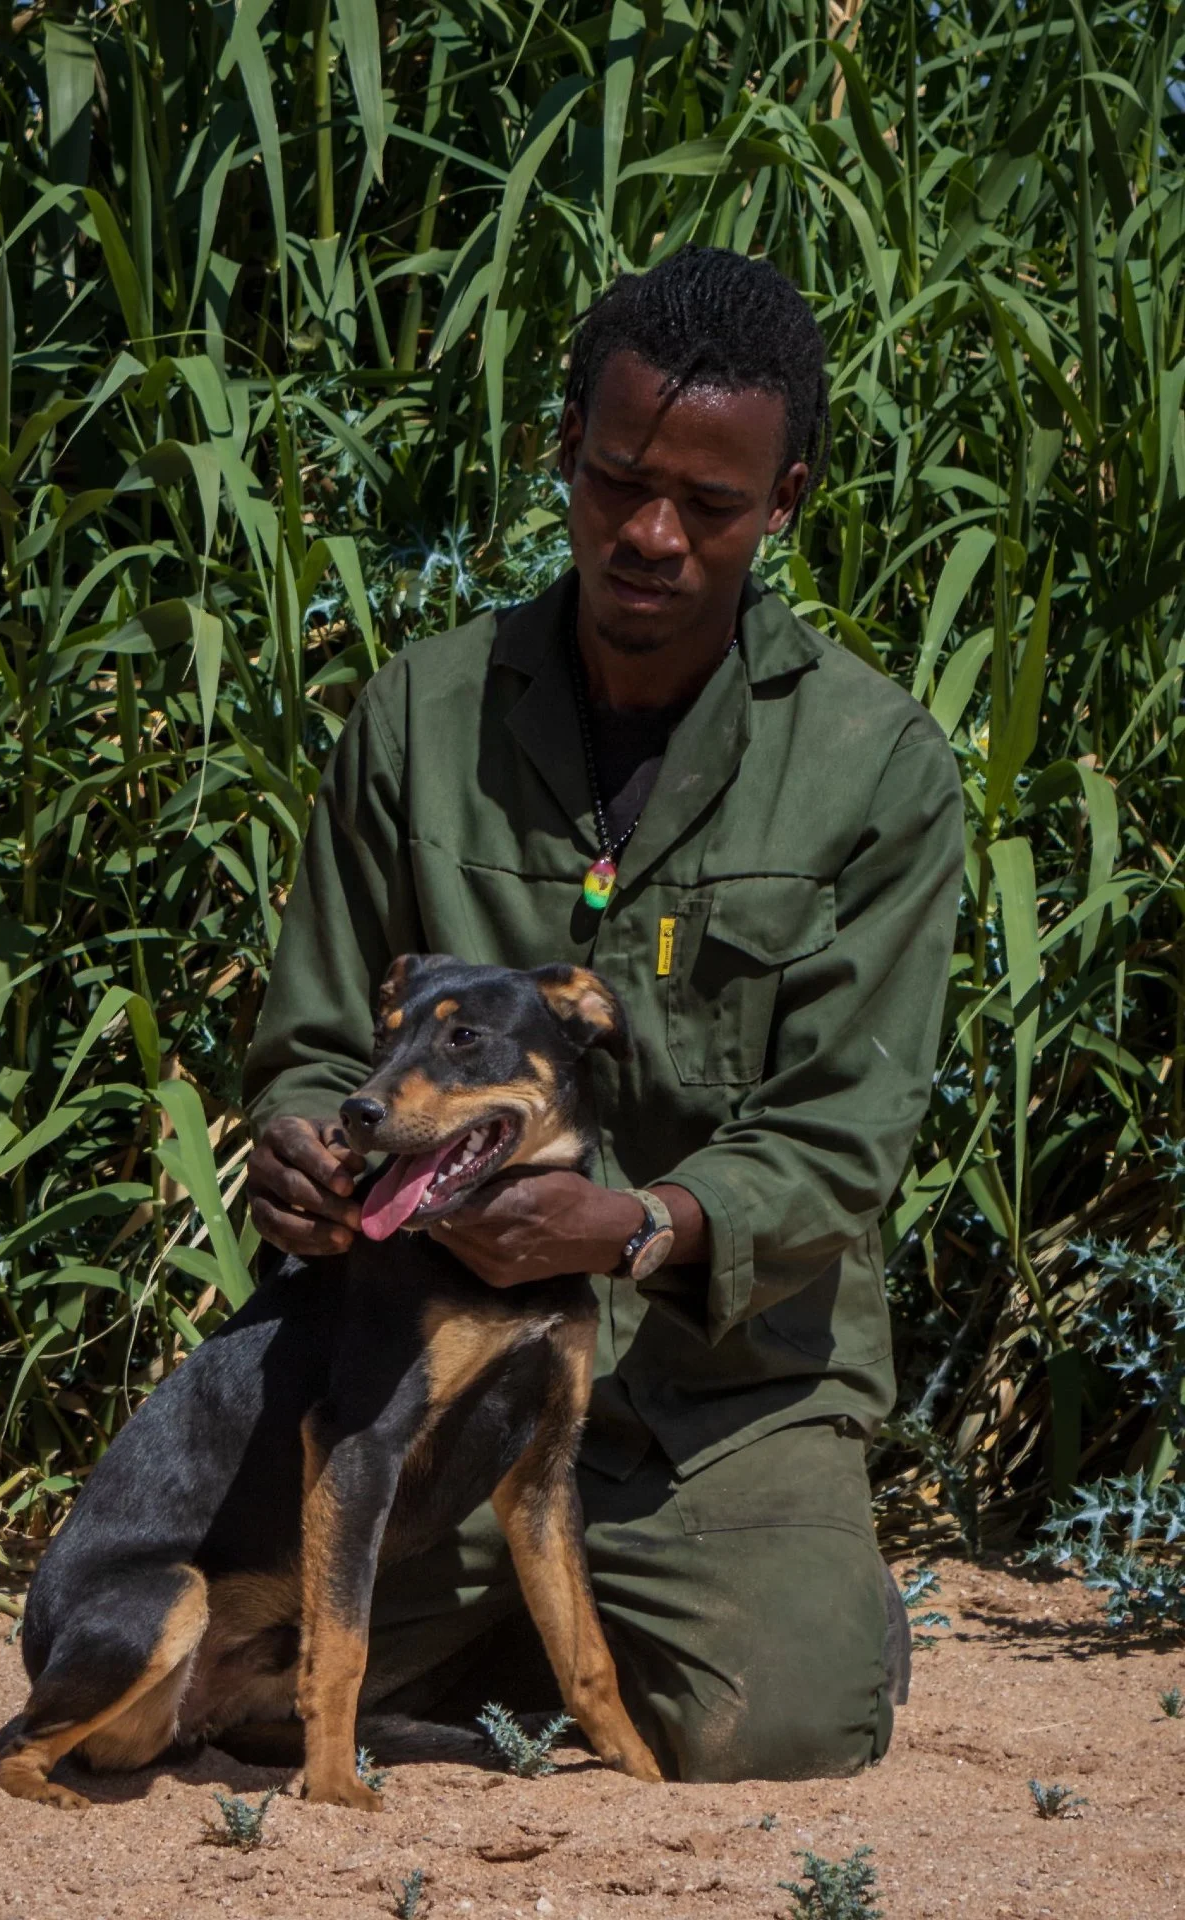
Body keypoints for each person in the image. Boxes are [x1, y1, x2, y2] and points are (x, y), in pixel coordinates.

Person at [242, 246, 964, 1782]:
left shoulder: (878, 768)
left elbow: (847, 1135)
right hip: (425, 1364)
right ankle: (525, 1619)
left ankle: (777, 1577)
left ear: (786, 504)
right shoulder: (416, 717)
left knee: (785, 1722)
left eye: (709, 507)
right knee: (230, 1681)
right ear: (561, 448)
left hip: (718, 1392)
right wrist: (301, 1147)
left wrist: (633, 1224)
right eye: (618, 479)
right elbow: (314, 1043)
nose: (650, 534)